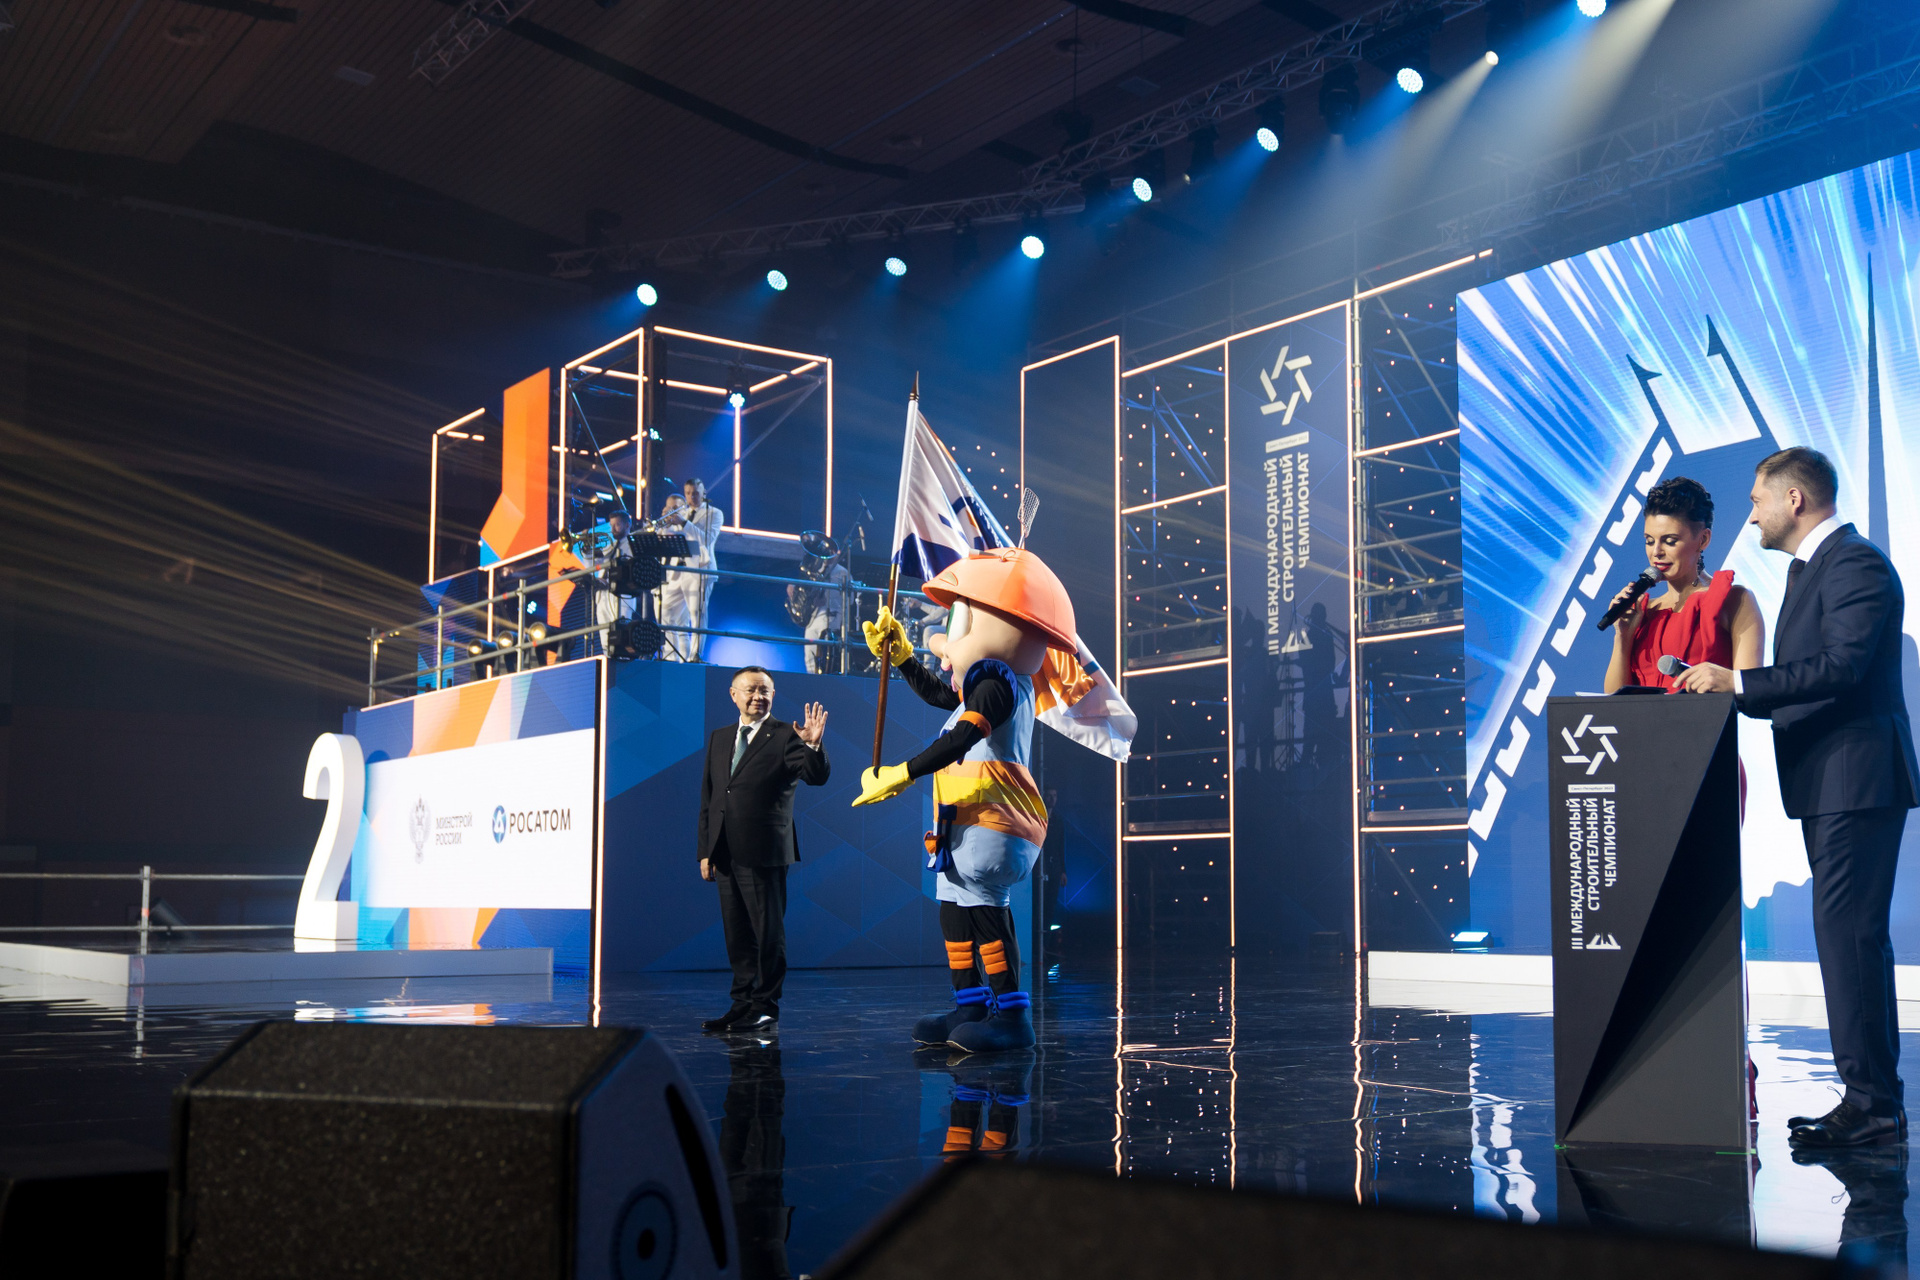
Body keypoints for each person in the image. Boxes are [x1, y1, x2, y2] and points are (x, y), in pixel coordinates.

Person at [1677, 447, 1919, 1148]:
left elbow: (1840, 667)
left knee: (1849, 939)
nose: (1750, 513)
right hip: (1834, 782)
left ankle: (1872, 1106)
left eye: (1757, 499)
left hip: (1855, 781)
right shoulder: (1815, 568)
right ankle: (1872, 1101)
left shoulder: (1854, 563)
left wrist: (1739, 683)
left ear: (1794, 500)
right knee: (1850, 940)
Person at [698, 666, 829, 1032]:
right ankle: (741, 1004)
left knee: (767, 932)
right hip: (725, 852)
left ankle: (765, 1006)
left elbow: (816, 776)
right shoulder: (720, 737)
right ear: (733, 695)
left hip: (765, 851)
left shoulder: (787, 734)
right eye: (751, 690)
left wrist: (813, 745)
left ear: (773, 695)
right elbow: (710, 798)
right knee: (737, 933)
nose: (758, 696)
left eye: (765, 691)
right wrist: (706, 850)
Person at [1603, 476, 1765, 695]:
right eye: (1649, 541)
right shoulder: (1642, 612)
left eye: (1670, 541)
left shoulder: (1733, 600)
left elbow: (1752, 690)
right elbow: (1613, 701)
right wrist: (1623, 636)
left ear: (1703, 540)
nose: (1656, 552)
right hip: (1641, 719)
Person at [661, 479, 725, 662]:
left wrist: (683, 523)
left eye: (695, 493)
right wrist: (665, 524)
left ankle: (695, 655)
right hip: (678, 570)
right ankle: (671, 655)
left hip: (700, 569)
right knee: (666, 612)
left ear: (703, 493)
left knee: (697, 614)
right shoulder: (682, 512)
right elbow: (668, 537)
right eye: (688, 493)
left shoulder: (714, 513)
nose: (691, 497)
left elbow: (706, 539)